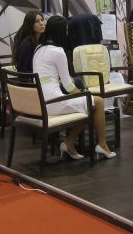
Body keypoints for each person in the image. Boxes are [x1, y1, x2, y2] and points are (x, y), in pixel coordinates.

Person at [32, 15, 116, 160]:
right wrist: (84, 94)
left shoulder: (38, 49)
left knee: (87, 104)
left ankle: (69, 143)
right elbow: (68, 85)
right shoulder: (58, 52)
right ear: (60, 32)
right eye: (66, 29)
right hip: (53, 103)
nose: (68, 32)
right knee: (97, 102)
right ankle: (102, 144)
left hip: (42, 103)